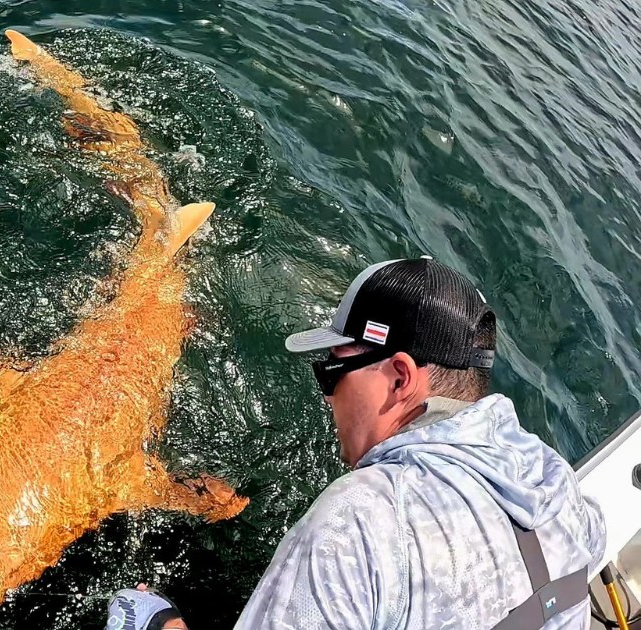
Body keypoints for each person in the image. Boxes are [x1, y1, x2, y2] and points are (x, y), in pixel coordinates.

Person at [107, 257, 606, 629]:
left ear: (400, 378)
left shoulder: (360, 520)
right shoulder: (552, 480)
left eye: (333, 372)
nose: (328, 396)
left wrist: (157, 623)